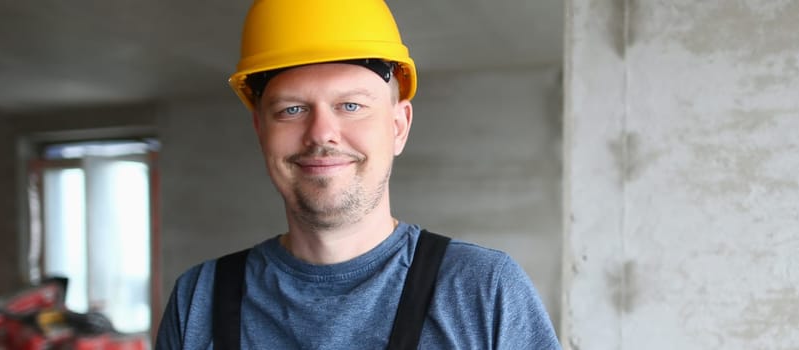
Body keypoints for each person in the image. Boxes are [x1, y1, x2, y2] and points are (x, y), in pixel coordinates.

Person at [154, 0, 560, 348]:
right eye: (292, 109)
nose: (321, 134)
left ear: (398, 126)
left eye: (350, 106)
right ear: (261, 132)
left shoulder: (482, 291)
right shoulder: (200, 299)